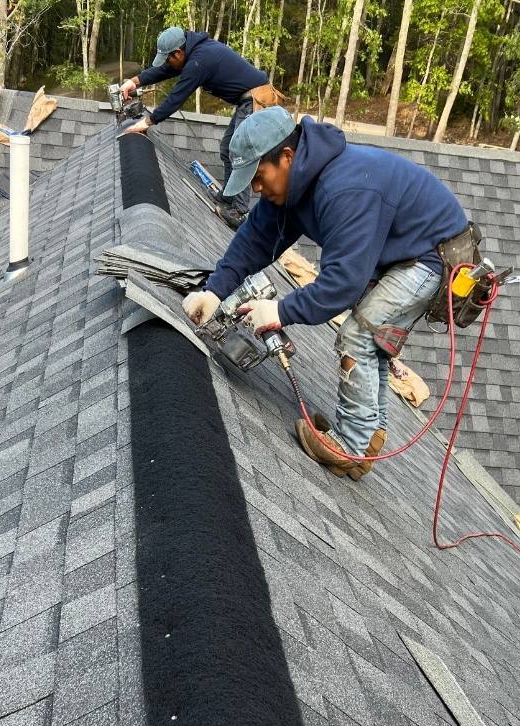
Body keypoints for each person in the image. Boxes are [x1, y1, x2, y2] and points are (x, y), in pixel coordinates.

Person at [182, 107, 476, 481]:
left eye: (258, 177)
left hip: (432, 257)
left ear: (286, 157)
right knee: (373, 339)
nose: (255, 189)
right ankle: (368, 436)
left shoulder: (344, 188)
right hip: (398, 251)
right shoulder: (291, 187)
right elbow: (255, 239)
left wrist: (280, 311)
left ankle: (350, 447)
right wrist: (214, 291)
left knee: (359, 334)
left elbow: (341, 285)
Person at [118, 26, 281, 227]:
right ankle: (229, 196)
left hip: (256, 100)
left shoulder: (198, 61)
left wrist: (146, 122)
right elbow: (165, 70)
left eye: (169, 58)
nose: (168, 63)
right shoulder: (193, 52)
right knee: (227, 148)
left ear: (178, 52)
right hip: (246, 100)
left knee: (241, 153)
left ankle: (239, 212)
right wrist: (133, 82)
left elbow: (176, 98)